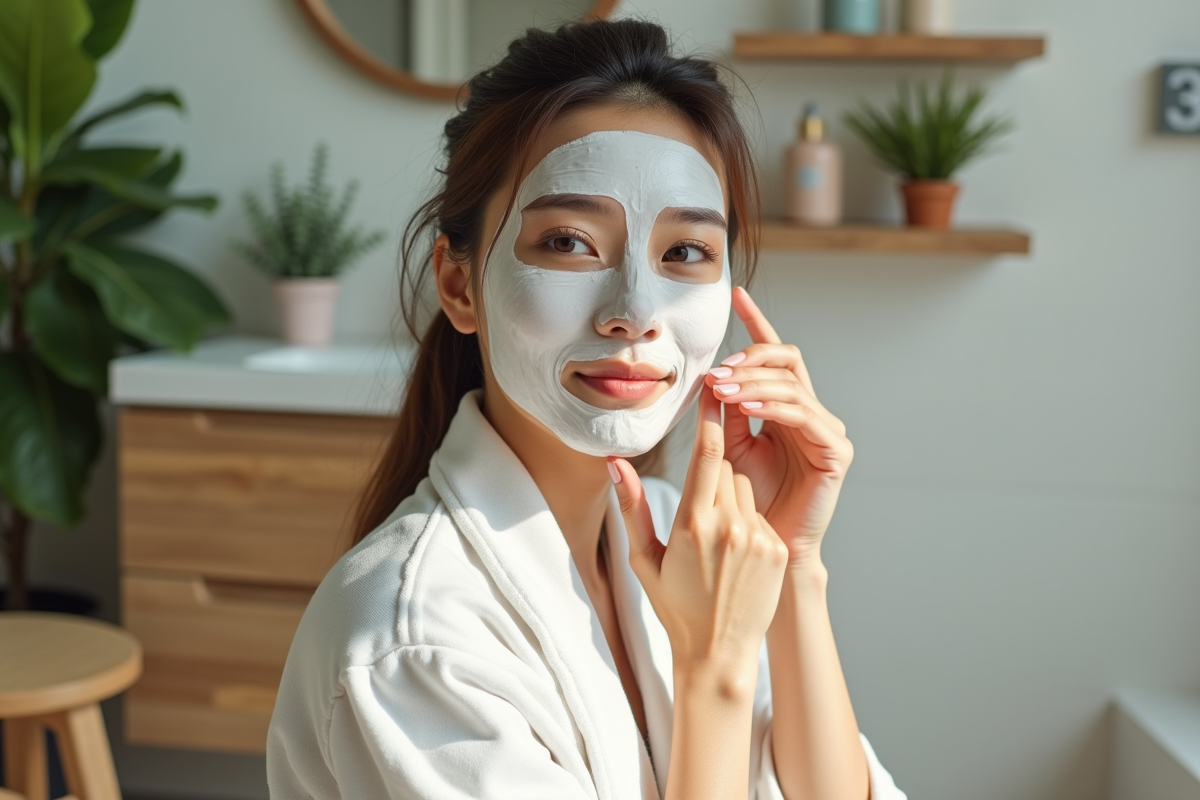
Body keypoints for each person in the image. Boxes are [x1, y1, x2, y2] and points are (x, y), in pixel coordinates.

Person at [267, 18, 906, 800]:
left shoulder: (682, 534)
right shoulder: (414, 645)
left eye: (685, 252)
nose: (634, 313)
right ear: (459, 285)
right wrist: (713, 667)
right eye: (569, 241)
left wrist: (793, 559)